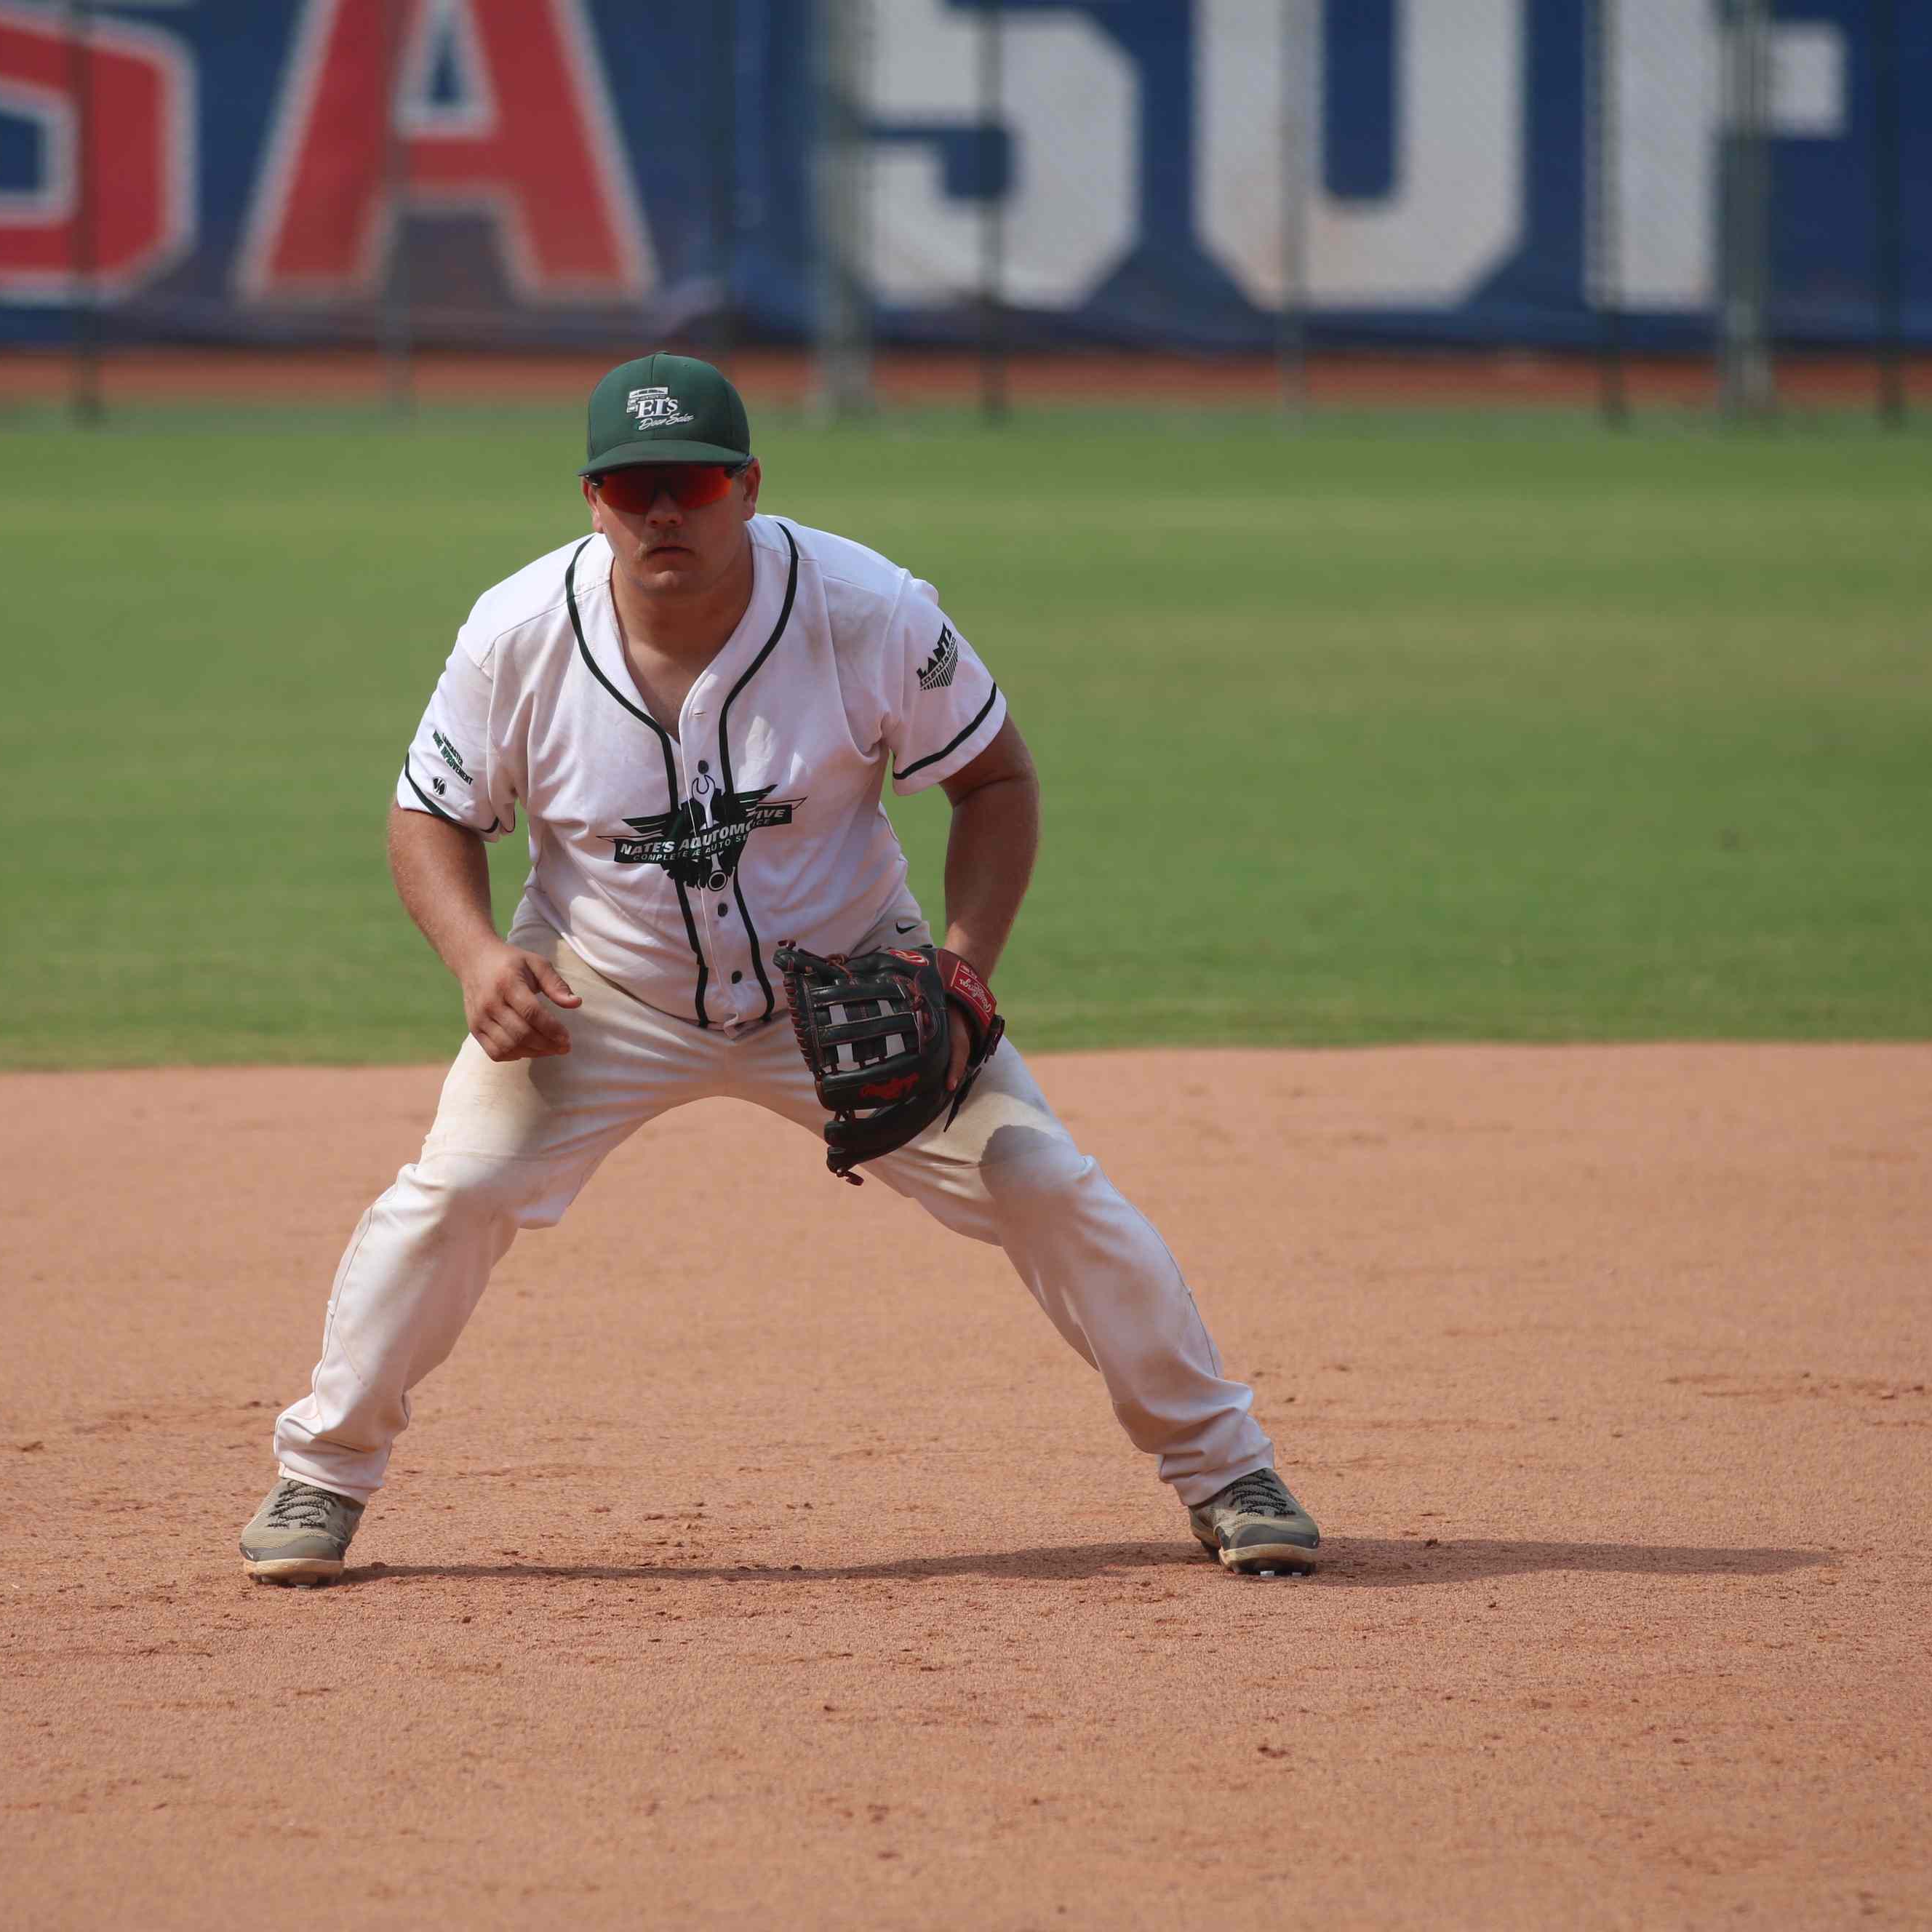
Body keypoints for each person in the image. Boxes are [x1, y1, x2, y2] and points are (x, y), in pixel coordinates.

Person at [241, 354, 1319, 1585]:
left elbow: (996, 779)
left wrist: (962, 971)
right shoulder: (516, 637)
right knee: (455, 1192)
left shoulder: (869, 610)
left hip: (856, 976)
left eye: (690, 484)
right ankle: (319, 1480)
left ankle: (1227, 1467)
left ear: (747, 486)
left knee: (1038, 1176)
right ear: (589, 499)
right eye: (631, 484)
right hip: (598, 991)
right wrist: (479, 956)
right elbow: (426, 814)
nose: (661, 512)